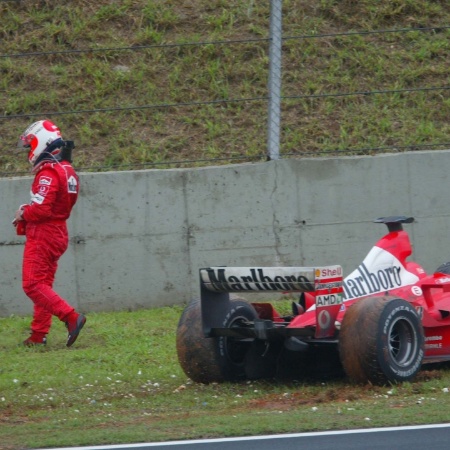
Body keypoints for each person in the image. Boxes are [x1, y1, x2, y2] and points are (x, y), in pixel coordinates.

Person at [13, 119, 86, 347]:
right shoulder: (67, 169)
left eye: (31, 144)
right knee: (43, 284)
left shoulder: (49, 173)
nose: (29, 150)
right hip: (58, 231)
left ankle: (71, 317)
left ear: (41, 142)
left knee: (32, 285)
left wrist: (23, 212)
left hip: (44, 233)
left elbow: (42, 209)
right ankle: (38, 334)